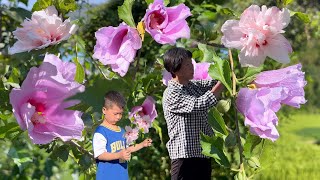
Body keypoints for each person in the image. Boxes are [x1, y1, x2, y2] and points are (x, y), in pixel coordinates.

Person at [162, 47, 224, 180]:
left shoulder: (193, 86)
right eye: (188, 65)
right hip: (184, 158)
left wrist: (226, 75)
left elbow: (212, 82)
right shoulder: (171, 93)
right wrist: (222, 84)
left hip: (202, 155)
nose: (192, 67)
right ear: (175, 69)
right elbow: (200, 104)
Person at [92, 91, 152, 180]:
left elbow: (127, 149)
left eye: (121, 113)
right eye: (115, 113)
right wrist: (119, 155)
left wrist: (142, 144)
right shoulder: (101, 131)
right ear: (104, 110)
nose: (118, 117)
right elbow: (100, 154)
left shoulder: (122, 131)